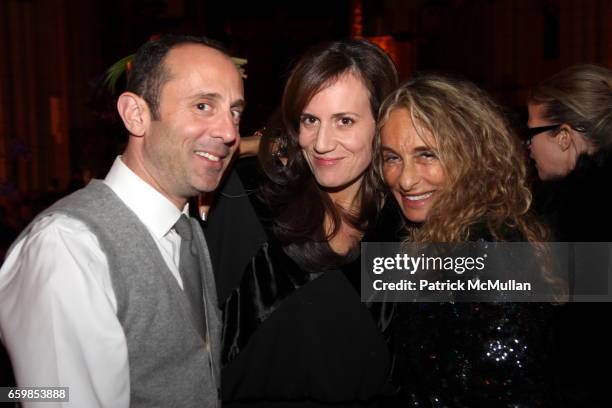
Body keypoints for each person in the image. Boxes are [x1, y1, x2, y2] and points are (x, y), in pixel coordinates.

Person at [0, 34, 244, 408]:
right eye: (202, 105)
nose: (229, 132)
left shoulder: (187, 228)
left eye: (235, 112)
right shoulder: (67, 247)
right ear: (136, 114)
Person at [204, 39, 399, 407]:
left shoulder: (402, 225)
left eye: (345, 121)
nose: (322, 143)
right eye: (310, 120)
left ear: (383, 123)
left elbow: (526, 279)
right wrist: (241, 147)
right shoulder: (246, 199)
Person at [377, 75, 560, 406]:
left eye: (427, 154)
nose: (404, 179)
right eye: (392, 157)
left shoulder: (490, 255)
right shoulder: (444, 239)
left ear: (472, 156)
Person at [526, 64, 612, 407]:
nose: (527, 146)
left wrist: (391, 275)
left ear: (563, 136)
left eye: (532, 132)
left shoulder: (584, 215)